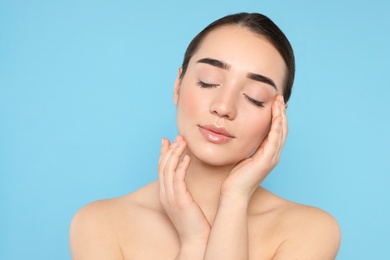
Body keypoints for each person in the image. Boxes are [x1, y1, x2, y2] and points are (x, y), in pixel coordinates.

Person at [70, 12, 341, 259]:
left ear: (278, 116)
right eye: (208, 81)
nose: (223, 107)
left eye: (254, 97)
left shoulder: (310, 230)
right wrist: (194, 242)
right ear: (178, 84)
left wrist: (234, 198)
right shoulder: (100, 224)